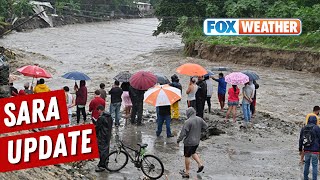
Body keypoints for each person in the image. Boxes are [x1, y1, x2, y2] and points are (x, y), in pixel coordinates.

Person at [177, 107, 208, 178]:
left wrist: (179, 140)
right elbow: (206, 126)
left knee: (187, 156)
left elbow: (183, 133)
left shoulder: (188, 122)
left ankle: (187, 172)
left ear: (188, 113)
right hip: (197, 141)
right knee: (193, 152)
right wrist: (200, 132)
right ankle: (200, 164)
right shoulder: (199, 119)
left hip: (189, 142)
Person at [95, 105, 113, 172]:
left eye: (98, 111)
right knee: (106, 149)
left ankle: (102, 165)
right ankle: (106, 162)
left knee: (102, 150)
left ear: (100, 110)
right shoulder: (110, 116)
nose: (98, 112)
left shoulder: (101, 118)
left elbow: (97, 127)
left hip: (102, 136)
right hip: (108, 135)